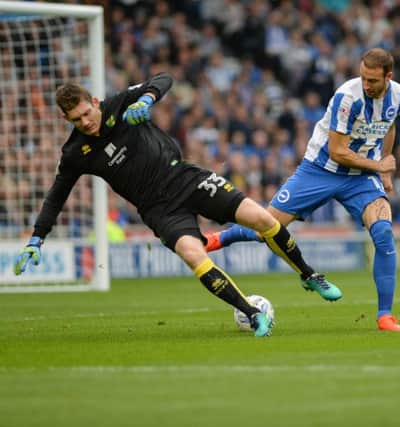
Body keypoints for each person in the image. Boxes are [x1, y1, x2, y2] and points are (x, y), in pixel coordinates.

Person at [13, 72, 342, 337]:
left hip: (186, 179)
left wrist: (146, 98)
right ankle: (252, 314)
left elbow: (163, 78)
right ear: (65, 119)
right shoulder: (75, 153)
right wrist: (37, 237)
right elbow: (57, 194)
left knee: (262, 218)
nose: (85, 122)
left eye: (87, 113)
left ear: (95, 102)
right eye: (76, 119)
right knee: (192, 254)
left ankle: (309, 275)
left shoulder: (118, 105)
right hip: (158, 209)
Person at [205, 48, 400, 332]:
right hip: (320, 170)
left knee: (384, 232)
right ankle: (224, 237)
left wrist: (385, 167)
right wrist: (379, 165)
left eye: (373, 80)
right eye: (363, 77)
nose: (366, 84)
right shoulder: (347, 98)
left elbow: (389, 127)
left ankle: (385, 316)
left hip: (360, 177)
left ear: (389, 77)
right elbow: (338, 152)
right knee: (269, 229)